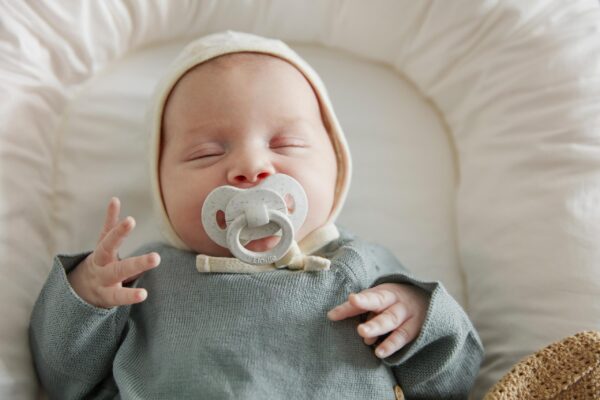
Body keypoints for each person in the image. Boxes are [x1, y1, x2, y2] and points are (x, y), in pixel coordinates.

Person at [29, 31, 483, 399]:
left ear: (337, 167)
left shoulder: (363, 268)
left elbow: (452, 384)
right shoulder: (146, 280)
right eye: (206, 153)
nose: (250, 168)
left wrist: (421, 320)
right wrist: (85, 298)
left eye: (284, 144)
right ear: (161, 187)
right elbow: (65, 381)